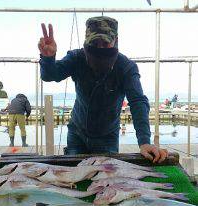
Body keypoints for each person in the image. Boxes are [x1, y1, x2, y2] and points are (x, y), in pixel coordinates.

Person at [38, 16, 168, 163]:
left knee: (107, 180)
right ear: (86, 41)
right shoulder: (76, 58)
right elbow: (50, 75)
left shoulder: (125, 67)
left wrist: (144, 141)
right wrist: (48, 59)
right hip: (77, 133)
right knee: (72, 177)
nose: (99, 48)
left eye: (105, 43)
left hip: (107, 137)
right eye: (94, 43)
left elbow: (138, 101)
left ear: (115, 41)